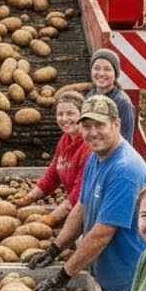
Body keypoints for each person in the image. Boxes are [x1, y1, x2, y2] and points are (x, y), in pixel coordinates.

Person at [27, 95, 146, 291]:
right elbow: (81, 206)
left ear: (117, 124)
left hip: (126, 284)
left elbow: (102, 233)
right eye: (87, 126)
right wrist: (55, 248)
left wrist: (63, 274)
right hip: (104, 273)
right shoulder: (96, 157)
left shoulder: (125, 170)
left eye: (100, 125)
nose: (93, 133)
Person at [13, 90, 90, 227]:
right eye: (60, 114)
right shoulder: (65, 140)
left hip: (90, 211)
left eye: (70, 113)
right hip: (76, 210)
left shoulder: (89, 146)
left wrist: (51, 218)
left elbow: (81, 193)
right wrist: (28, 198)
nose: (64, 119)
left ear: (82, 115)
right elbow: (53, 174)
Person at [85, 48, 136, 144]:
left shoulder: (122, 103)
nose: (101, 73)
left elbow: (126, 140)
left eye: (107, 69)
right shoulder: (89, 96)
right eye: (96, 68)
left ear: (115, 74)